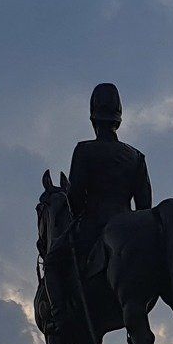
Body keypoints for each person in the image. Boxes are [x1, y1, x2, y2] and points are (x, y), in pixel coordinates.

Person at [67, 83, 151, 277]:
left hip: (92, 226)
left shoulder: (84, 150)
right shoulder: (136, 156)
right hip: (129, 225)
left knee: (56, 261)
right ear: (118, 118)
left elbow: (75, 195)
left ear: (93, 117)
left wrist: (78, 217)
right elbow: (144, 206)